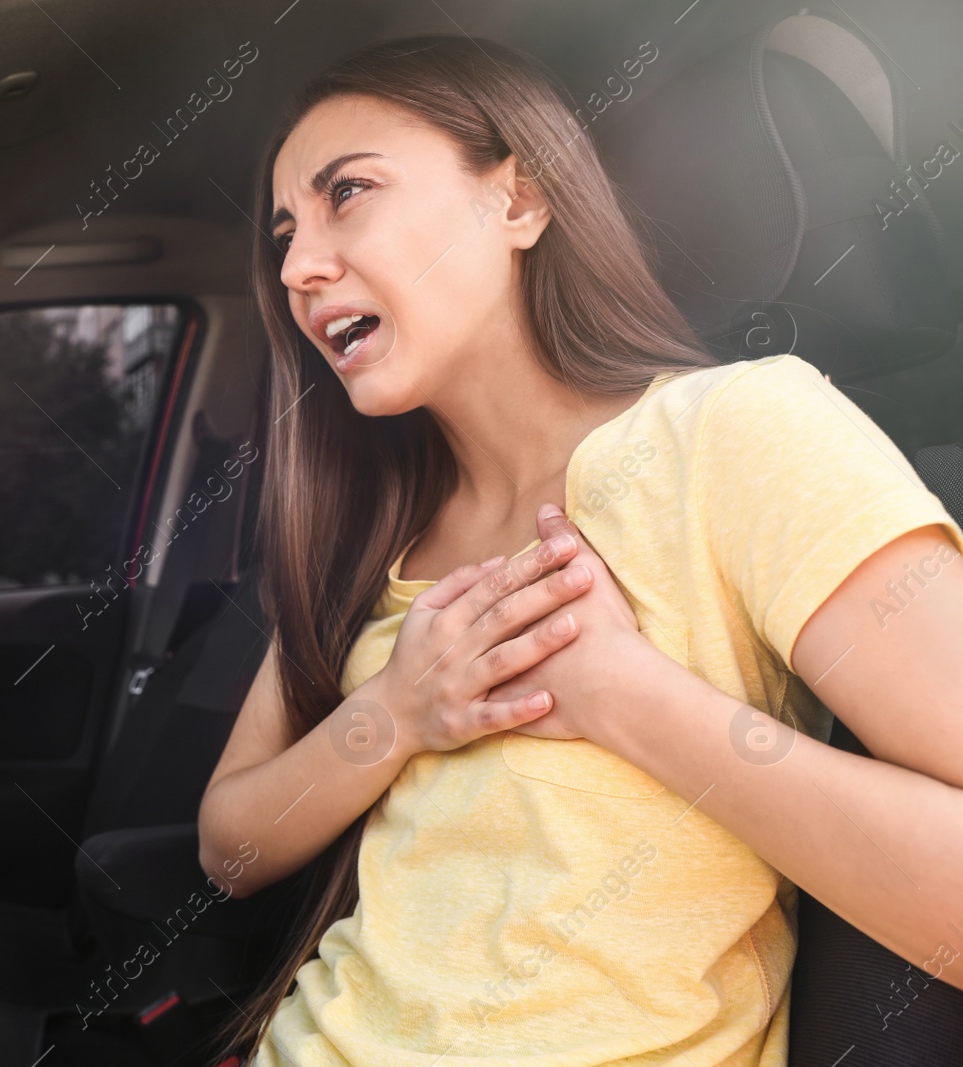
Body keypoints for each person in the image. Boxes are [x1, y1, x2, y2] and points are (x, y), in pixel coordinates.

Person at [197, 35, 963, 1066]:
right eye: (284, 232)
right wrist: (400, 709)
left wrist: (621, 694)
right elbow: (228, 845)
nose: (296, 268)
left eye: (349, 192)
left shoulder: (736, 430)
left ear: (516, 202)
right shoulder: (372, 526)